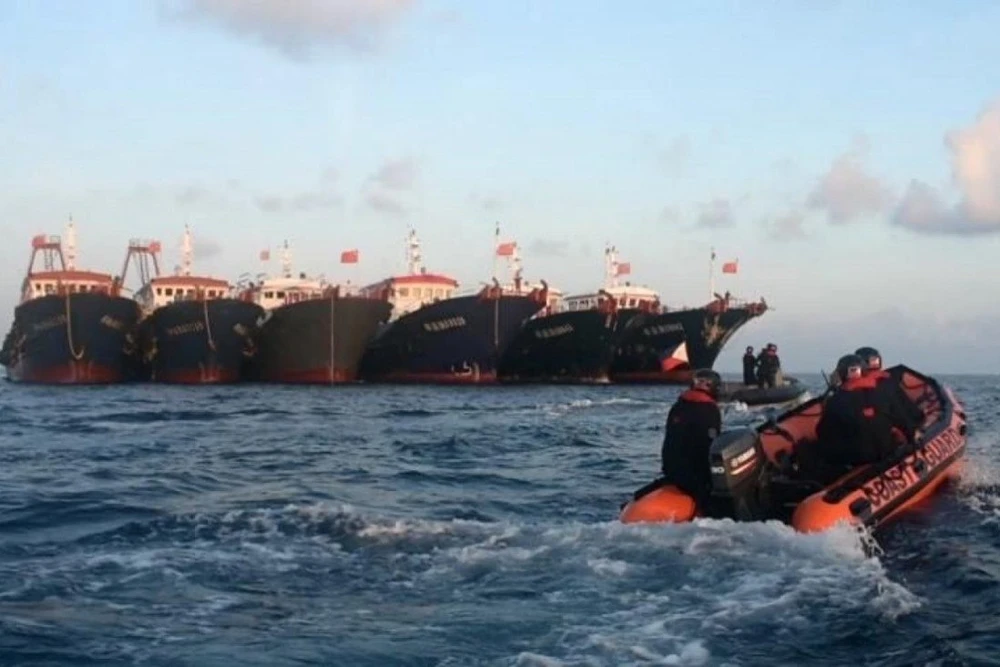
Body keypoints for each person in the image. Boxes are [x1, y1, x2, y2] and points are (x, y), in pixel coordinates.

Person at [812, 354, 902, 476]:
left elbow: (823, 431)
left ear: (841, 374)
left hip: (855, 458)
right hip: (885, 451)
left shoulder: (836, 401)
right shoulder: (883, 392)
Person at [660, 369, 723, 505]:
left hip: (671, 471)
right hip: (695, 476)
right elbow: (710, 443)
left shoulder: (678, 406)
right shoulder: (710, 409)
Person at [854, 346, 924, 443]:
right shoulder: (887, 383)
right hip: (890, 437)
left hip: (871, 440)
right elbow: (900, 409)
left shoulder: (853, 389)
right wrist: (912, 431)